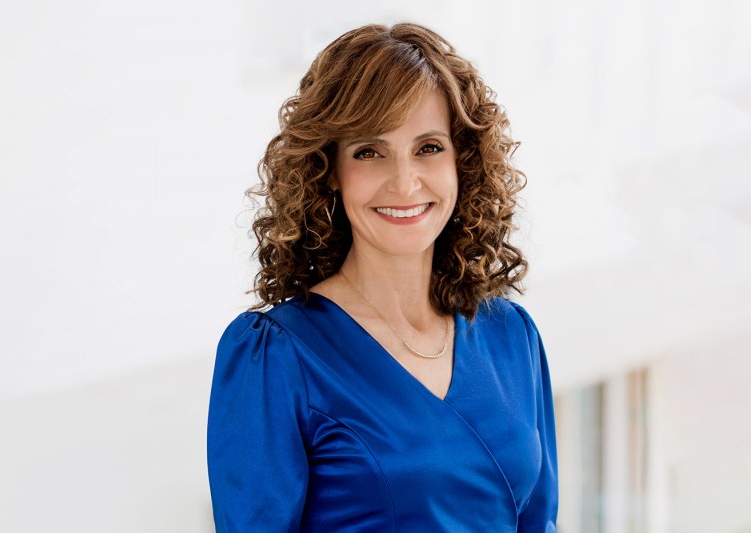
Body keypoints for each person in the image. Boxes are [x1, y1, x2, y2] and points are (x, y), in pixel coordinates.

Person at [207, 22, 558, 532]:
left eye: (429, 147)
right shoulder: (279, 357)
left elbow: (541, 522)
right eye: (370, 151)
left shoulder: (511, 337)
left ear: (463, 161)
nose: (404, 181)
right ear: (329, 168)